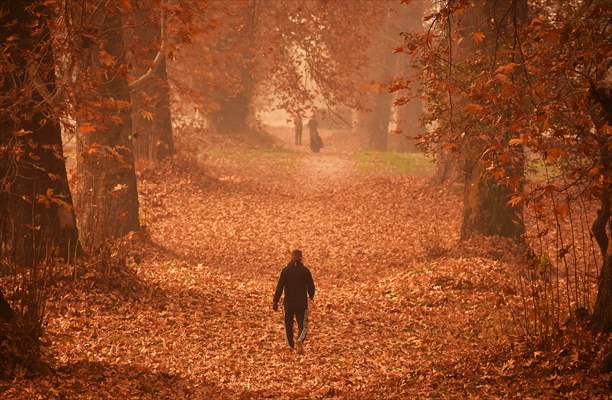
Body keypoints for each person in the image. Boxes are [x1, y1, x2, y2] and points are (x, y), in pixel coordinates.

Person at [272, 249, 315, 353]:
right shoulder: (305, 271)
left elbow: (280, 287)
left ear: (291, 257)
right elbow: (311, 286)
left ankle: (290, 345)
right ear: (301, 258)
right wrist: (311, 296)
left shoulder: (285, 270)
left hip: (288, 303)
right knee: (303, 325)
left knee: (288, 325)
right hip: (301, 303)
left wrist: (275, 301)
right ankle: (300, 340)